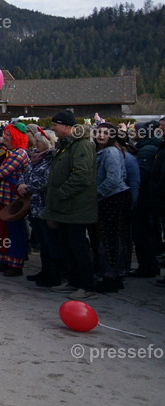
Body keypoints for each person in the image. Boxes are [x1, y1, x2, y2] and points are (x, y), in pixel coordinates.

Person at [44, 110, 99, 300]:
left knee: (78, 246)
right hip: (65, 208)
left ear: (67, 126)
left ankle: (87, 285)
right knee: (67, 245)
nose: (52, 129)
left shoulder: (82, 145)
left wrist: (61, 193)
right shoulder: (66, 146)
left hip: (76, 207)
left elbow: (82, 176)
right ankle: (74, 281)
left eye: (55, 125)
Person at [0, 122, 30, 277]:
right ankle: (4, 260)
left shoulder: (19, 154)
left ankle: (15, 264)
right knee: (3, 231)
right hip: (1, 197)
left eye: (8, 135)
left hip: (12, 200)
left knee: (15, 233)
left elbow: (1, 172)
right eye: (5, 134)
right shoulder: (5, 152)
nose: (4, 137)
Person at [19, 126, 61, 286]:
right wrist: (21, 184)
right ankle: (44, 271)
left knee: (50, 241)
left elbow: (46, 180)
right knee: (43, 242)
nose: (35, 143)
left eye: (38, 141)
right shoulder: (34, 157)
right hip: (34, 206)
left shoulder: (51, 159)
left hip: (45, 206)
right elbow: (25, 174)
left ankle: (53, 274)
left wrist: (27, 187)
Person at [92, 123, 131, 293]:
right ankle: (112, 273)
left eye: (106, 133)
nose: (101, 135)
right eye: (99, 132)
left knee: (110, 239)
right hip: (110, 197)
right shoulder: (102, 151)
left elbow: (114, 179)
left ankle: (111, 276)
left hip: (113, 198)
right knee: (110, 238)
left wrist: (96, 195)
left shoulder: (110, 152)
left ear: (112, 136)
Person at [131, 120, 162, 277]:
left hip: (144, 199)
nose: (132, 133)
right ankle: (149, 265)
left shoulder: (146, 150)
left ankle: (147, 267)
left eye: (134, 131)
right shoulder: (146, 147)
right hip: (147, 198)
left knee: (142, 233)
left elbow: (143, 176)